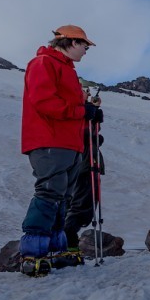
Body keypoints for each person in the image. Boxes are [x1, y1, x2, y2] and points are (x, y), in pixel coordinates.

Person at [19, 25, 100, 277]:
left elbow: (70, 106)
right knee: (48, 193)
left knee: (62, 198)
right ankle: (33, 253)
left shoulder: (66, 70)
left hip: (70, 144)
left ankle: (55, 251)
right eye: (84, 45)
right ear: (70, 42)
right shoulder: (43, 63)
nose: (87, 50)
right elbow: (44, 102)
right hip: (50, 141)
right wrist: (81, 111)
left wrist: (89, 111)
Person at [63, 83, 104, 263]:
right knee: (81, 206)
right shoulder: (75, 111)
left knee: (84, 206)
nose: (87, 94)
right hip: (84, 164)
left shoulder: (81, 111)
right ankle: (68, 242)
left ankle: (68, 241)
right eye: (84, 92)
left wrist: (94, 114)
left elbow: (93, 134)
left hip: (88, 164)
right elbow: (81, 133)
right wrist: (89, 111)